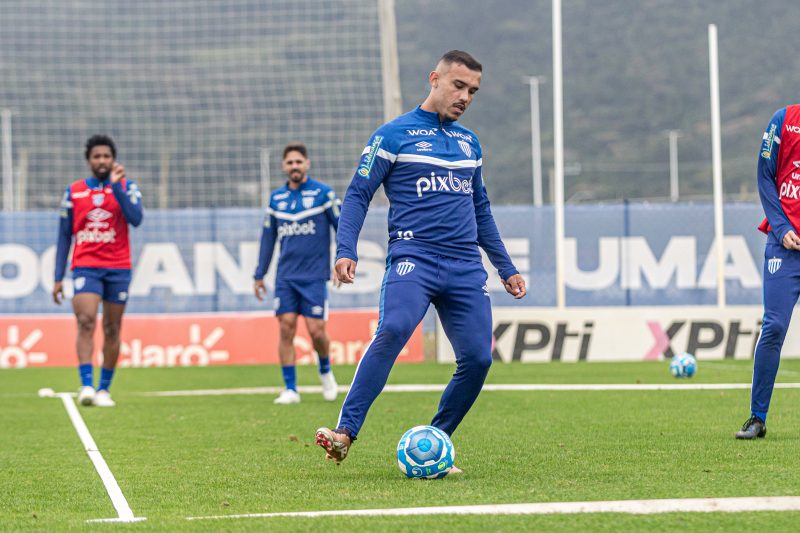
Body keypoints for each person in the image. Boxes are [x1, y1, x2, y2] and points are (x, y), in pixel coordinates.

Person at [315, 50, 527, 467]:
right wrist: (345, 249)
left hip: (465, 266)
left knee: (479, 358)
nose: (465, 96)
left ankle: (436, 441)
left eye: (473, 91)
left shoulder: (470, 143)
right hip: (415, 258)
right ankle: (345, 432)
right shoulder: (393, 135)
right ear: (435, 79)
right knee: (393, 329)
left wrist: (506, 266)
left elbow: (480, 208)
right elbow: (358, 194)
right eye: (458, 86)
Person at [53, 134, 143, 407]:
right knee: (86, 321)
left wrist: (117, 188)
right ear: (89, 161)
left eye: (106, 156)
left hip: (118, 268)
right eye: (97, 156)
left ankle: (104, 389)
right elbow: (64, 235)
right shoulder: (75, 191)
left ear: (113, 159)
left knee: (112, 328)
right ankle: (87, 385)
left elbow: (136, 219)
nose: (102, 161)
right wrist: (57, 277)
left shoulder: (127, 187)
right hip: (85, 266)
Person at [254, 143, 340, 404]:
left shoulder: (323, 194)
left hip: (314, 276)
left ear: (307, 164)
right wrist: (259, 274)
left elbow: (342, 226)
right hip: (285, 277)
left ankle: (325, 372)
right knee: (286, 328)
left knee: (316, 331)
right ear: (284, 166)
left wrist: (343, 259)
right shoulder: (276, 200)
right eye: (290, 162)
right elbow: (267, 240)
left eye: (298, 162)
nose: (294, 166)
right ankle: (290, 389)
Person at [737, 104, 800, 439]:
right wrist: (780, 227)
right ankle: (757, 417)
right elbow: (765, 175)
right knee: (774, 326)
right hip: (784, 246)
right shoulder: (784, 120)